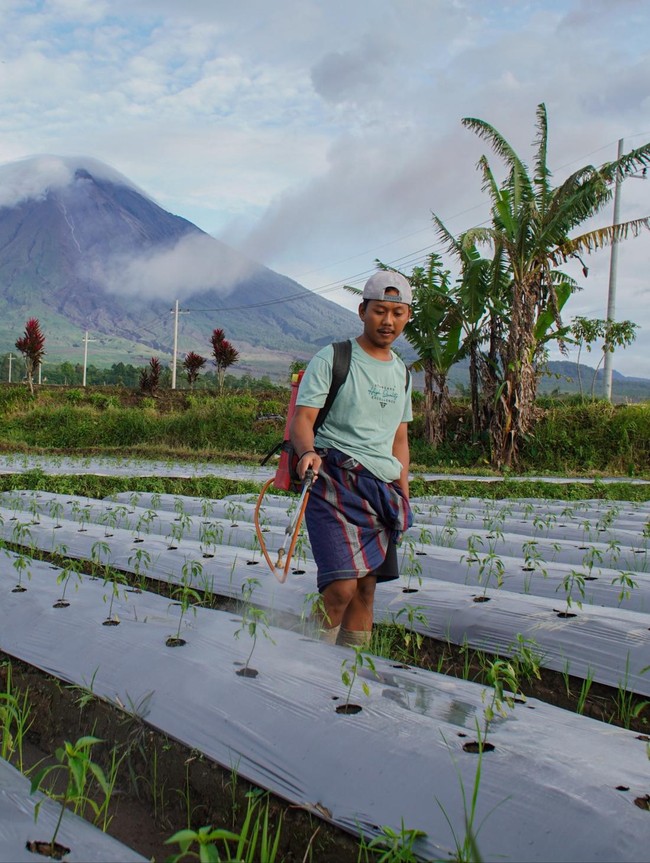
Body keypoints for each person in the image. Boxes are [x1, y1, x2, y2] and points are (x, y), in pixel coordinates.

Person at [289, 270, 414, 647]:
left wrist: (404, 495)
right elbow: (302, 420)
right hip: (334, 484)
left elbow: (400, 440)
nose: (388, 321)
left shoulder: (402, 373)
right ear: (362, 311)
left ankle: (350, 673)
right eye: (379, 311)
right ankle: (305, 661)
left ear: (407, 316)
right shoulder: (334, 357)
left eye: (397, 312)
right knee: (340, 588)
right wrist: (307, 452)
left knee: (366, 590)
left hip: (380, 492)